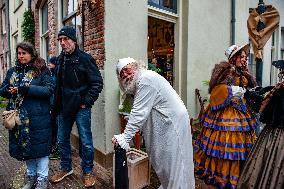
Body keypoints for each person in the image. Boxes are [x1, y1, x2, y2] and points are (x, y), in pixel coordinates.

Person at [112, 57, 195, 189]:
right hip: (165, 127)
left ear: (136, 67)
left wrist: (125, 138)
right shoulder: (139, 84)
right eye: (122, 74)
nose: (126, 75)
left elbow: (139, 113)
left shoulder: (145, 79)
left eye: (127, 70)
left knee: (175, 166)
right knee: (165, 165)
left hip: (172, 126)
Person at [194, 44, 258, 189]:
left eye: (245, 57)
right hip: (224, 113)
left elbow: (249, 89)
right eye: (242, 57)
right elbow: (217, 90)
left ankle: (241, 173)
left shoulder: (244, 73)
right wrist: (233, 91)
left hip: (242, 111)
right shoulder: (225, 72)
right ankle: (222, 175)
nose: (244, 60)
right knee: (224, 142)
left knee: (242, 144)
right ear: (234, 58)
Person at [50, 26, 103, 188]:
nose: (63, 43)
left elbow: (97, 83)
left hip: (81, 108)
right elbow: (58, 85)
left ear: (74, 40)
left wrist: (85, 101)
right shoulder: (59, 60)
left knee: (86, 141)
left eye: (66, 39)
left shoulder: (85, 59)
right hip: (63, 108)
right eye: (60, 40)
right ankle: (66, 168)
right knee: (62, 139)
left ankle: (87, 171)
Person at [0, 42, 55, 189]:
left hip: (38, 118)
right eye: (19, 53)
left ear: (31, 54)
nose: (21, 56)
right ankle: (31, 177)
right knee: (26, 147)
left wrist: (25, 89)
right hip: (19, 119)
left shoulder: (41, 70)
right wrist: (8, 90)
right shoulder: (12, 71)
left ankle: (42, 179)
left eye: (24, 53)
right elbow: (3, 89)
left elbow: (48, 90)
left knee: (41, 149)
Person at [237, 61, 284, 189]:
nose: (281, 72)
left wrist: (247, 93)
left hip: (277, 133)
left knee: (270, 162)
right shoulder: (279, 88)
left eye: (282, 71)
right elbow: (266, 92)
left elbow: (264, 104)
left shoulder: (280, 90)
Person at [47, 56, 60, 160]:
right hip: (53, 106)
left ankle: (57, 150)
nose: (49, 64)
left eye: (50, 63)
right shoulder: (52, 74)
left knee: (57, 129)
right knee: (54, 128)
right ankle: (54, 148)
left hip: (56, 107)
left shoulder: (55, 76)